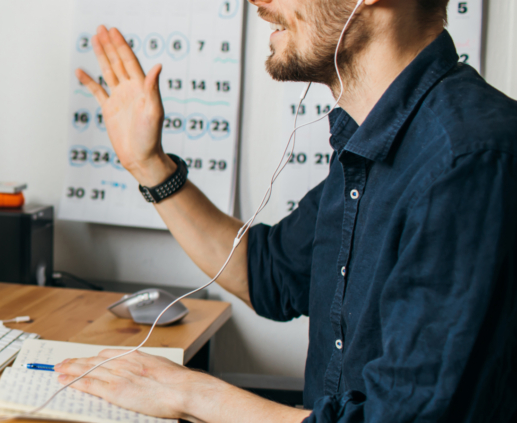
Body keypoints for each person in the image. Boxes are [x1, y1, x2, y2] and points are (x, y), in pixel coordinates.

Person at [57, 1, 517, 422]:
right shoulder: (372, 140)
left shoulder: (468, 159)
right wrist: (150, 166)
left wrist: (192, 393)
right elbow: (270, 275)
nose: (258, 2)